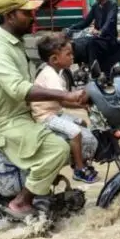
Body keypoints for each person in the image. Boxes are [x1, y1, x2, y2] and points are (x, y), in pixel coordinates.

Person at [0, 0, 89, 218]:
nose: (33, 17)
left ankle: (44, 190)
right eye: (27, 13)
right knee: (58, 149)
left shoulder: (16, 44)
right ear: (10, 16)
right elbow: (19, 89)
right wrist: (66, 96)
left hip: (22, 116)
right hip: (5, 122)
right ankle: (21, 202)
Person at [31, 34, 98, 183]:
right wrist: (82, 99)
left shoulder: (57, 73)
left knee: (82, 122)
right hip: (45, 117)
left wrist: (83, 105)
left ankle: (76, 160)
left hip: (55, 112)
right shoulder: (50, 76)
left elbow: (62, 102)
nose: (72, 57)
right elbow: (64, 100)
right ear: (54, 59)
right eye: (68, 54)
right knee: (75, 132)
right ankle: (79, 169)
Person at [83, 0, 119, 74]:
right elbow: (86, 22)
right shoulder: (95, 6)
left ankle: (95, 72)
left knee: (92, 42)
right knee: (83, 41)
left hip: (109, 39)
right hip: (98, 38)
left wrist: (100, 31)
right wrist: (70, 29)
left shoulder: (112, 5)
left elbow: (109, 21)